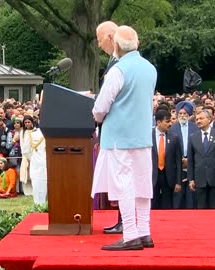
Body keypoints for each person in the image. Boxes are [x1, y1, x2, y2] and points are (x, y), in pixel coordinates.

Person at [92, 25, 156, 251]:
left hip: (119, 137)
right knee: (142, 184)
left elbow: (100, 107)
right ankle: (144, 231)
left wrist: (96, 115)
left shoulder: (118, 70)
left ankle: (129, 233)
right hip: (142, 136)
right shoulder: (150, 68)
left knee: (124, 186)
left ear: (117, 45)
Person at [95, 20, 123, 235]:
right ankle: (123, 219)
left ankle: (125, 221)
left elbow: (108, 101)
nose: (98, 45)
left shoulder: (120, 63)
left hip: (118, 132)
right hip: (114, 130)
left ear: (111, 37)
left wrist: (96, 109)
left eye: (99, 39)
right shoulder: (114, 61)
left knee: (123, 179)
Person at [187, 110, 215, 209]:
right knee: (201, 208)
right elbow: (190, 160)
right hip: (199, 178)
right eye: (197, 119)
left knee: (214, 207)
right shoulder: (193, 137)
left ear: (209, 119)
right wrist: (191, 179)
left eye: (201, 118)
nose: (198, 121)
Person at [151, 109, 182, 209]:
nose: (170, 124)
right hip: (152, 175)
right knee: (152, 204)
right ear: (159, 122)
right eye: (167, 121)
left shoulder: (174, 138)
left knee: (167, 205)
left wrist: (178, 181)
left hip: (168, 176)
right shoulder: (147, 136)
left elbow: (178, 161)